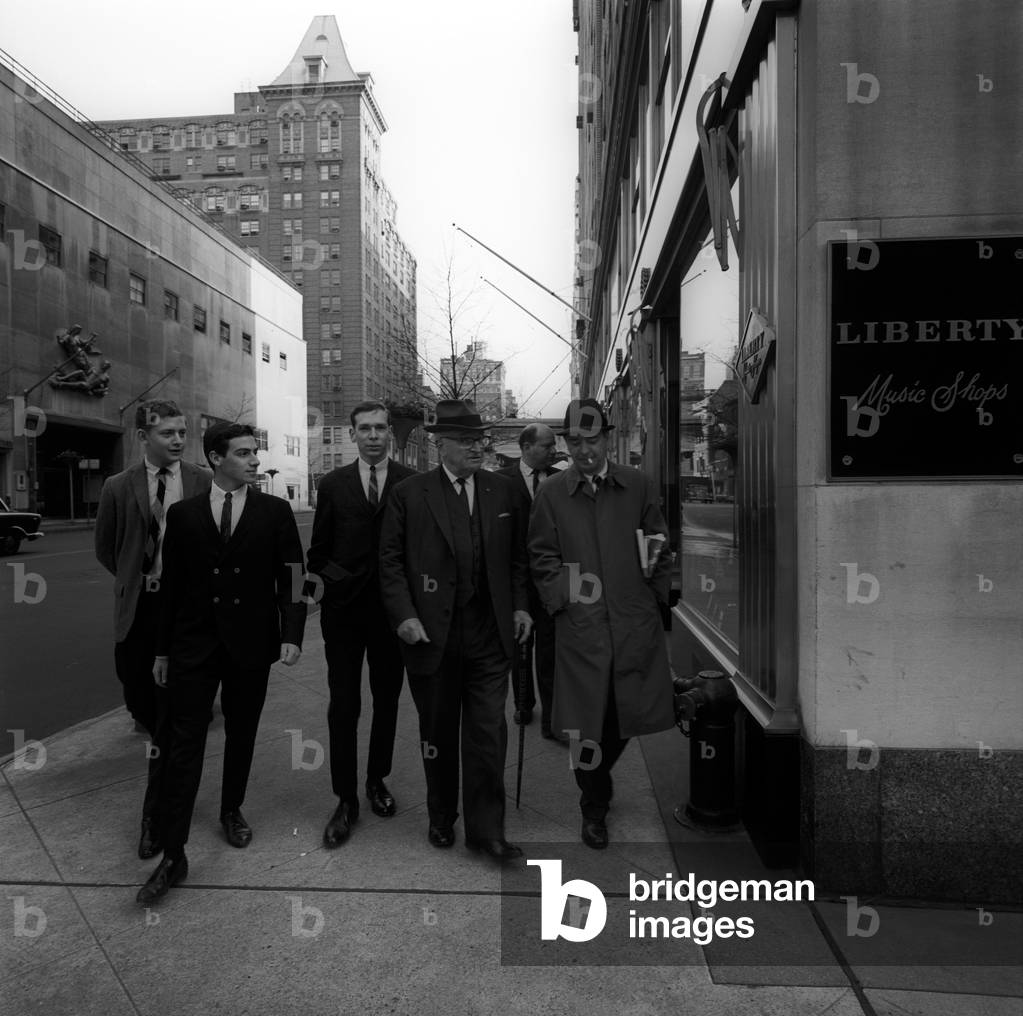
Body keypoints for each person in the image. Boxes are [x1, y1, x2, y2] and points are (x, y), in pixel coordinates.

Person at [136, 423, 307, 904]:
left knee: (243, 730)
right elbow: (169, 590)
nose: (255, 461)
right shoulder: (184, 515)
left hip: (252, 645)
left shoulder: (274, 512)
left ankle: (232, 808)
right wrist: (163, 651)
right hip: (193, 647)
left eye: (256, 453)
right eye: (244, 454)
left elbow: (292, 578)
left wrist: (292, 633)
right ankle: (174, 852)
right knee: (182, 743)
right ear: (215, 459)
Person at [379, 400, 532, 860]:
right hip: (432, 636)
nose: (475, 448)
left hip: (490, 635)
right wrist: (405, 615)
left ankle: (487, 832)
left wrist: (521, 608)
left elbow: (519, 559)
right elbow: (389, 562)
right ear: (438, 443)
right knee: (438, 732)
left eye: (478, 440)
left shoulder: (503, 491)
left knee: (489, 732)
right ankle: (442, 815)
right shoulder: (410, 494)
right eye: (465, 441)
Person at [528, 398, 675, 850]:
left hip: (633, 622)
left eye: (592, 440)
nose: (584, 450)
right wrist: (569, 599)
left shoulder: (637, 485)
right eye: (575, 441)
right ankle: (593, 806)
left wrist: (656, 594)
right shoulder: (552, 493)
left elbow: (659, 542)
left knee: (623, 716)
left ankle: (599, 779)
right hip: (581, 628)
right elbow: (542, 556)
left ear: (607, 438)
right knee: (582, 723)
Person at [95, 400, 211, 860]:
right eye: (168, 434)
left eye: (183, 432)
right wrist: (138, 580)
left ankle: (157, 816)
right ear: (144, 436)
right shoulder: (117, 487)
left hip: (186, 614)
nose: (179, 440)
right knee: (141, 699)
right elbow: (107, 549)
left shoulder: (202, 481)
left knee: (170, 721)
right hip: (141, 610)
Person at [307, 401, 416, 848]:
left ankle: (376, 780)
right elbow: (318, 553)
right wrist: (339, 583)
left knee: (387, 701)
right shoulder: (332, 484)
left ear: (390, 433)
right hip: (345, 615)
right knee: (344, 706)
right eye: (364, 428)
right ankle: (345, 798)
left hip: (392, 616)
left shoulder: (413, 483)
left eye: (380, 428)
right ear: (352, 434)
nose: (373, 435)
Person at [496, 423, 561, 737]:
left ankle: (552, 714)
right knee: (521, 646)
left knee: (550, 650)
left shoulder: (560, 479)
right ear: (526, 447)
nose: (554, 450)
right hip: (515, 581)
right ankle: (523, 703)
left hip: (550, 579)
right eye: (547, 445)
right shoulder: (500, 481)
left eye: (553, 445)